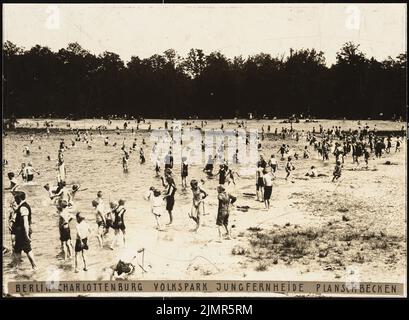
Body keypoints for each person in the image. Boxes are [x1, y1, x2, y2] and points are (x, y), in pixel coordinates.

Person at [10, 191, 36, 269]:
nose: (15, 200)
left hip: (22, 232)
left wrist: (27, 234)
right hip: (20, 232)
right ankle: (16, 267)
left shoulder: (23, 208)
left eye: (16, 198)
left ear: (19, 198)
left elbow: (26, 222)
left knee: (27, 249)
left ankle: (34, 267)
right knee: (17, 249)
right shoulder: (22, 206)